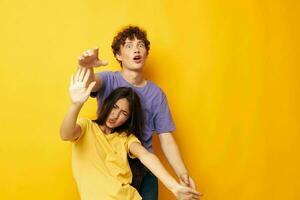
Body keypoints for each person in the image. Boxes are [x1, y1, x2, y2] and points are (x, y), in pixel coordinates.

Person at [77, 25, 202, 199]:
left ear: (146, 53)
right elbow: (90, 83)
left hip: (145, 167)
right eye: (129, 45)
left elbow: (166, 139)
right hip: (113, 165)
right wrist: (87, 67)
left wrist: (182, 173)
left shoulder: (156, 94)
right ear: (119, 55)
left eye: (140, 45)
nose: (136, 49)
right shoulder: (108, 79)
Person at [60, 68, 201, 200]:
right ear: (107, 104)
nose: (115, 115)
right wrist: (75, 104)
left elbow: (146, 156)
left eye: (124, 113)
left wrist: (174, 187)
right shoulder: (86, 127)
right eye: (114, 107)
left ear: (128, 119)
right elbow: (65, 134)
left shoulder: (126, 138)